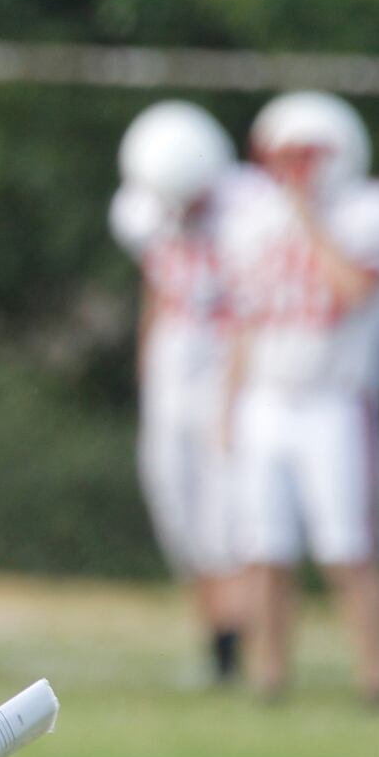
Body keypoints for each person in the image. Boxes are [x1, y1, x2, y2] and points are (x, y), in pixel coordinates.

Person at [223, 91, 379, 703]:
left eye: (303, 157)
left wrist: (309, 218)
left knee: (349, 548)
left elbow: (351, 292)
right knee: (264, 549)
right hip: (266, 399)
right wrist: (228, 404)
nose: (291, 172)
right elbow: (246, 320)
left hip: (336, 400)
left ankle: (374, 677)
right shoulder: (257, 220)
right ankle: (270, 675)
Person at [111, 101, 252, 683]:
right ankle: (214, 643)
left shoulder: (251, 210)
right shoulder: (144, 206)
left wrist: (235, 395)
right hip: (175, 362)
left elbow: (252, 310)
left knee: (228, 516)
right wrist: (147, 359)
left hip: (227, 365)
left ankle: (240, 651)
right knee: (177, 506)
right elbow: (156, 282)